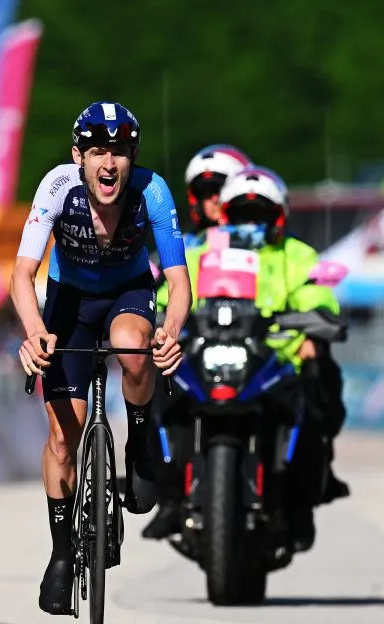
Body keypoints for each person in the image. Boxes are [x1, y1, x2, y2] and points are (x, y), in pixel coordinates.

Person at [10, 101, 192, 615]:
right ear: (78, 157)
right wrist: (35, 333)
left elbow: (178, 282)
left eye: (118, 152)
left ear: (132, 157)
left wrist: (171, 332)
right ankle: (63, 551)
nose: (108, 164)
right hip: (69, 299)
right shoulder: (56, 187)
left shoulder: (152, 191)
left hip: (128, 292)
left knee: (136, 350)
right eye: (96, 152)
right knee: (62, 441)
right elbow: (22, 275)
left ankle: (138, 444)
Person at [149, 166, 350, 552]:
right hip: (205, 355)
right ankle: (170, 496)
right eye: (242, 215)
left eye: (260, 215)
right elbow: (168, 294)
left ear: (279, 217)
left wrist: (314, 330)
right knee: (159, 394)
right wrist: (156, 319)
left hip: (275, 361)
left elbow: (316, 294)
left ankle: (302, 498)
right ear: (225, 216)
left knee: (316, 388)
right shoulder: (200, 251)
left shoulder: (295, 254)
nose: (251, 224)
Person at [142, 144, 252, 538]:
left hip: (251, 351)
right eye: (204, 192)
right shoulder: (182, 247)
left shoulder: (260, 247)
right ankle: (169, 496)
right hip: (191, 353)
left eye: (220, 190)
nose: (213, 201)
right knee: (156, 399)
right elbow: (154, 290)